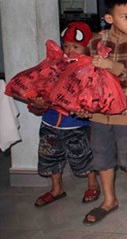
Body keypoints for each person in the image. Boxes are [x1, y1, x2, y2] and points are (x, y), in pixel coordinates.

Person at [83, 0, 127, 225]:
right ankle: (109, 199)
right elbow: (85, 79)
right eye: (125, 17)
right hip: (98, 112)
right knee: (101, 155)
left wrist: (112, 66)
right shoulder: (95, 42)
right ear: (109, 19)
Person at [32, 22, 100, 208]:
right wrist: (38, 103)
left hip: (76, 124)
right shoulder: (54, 67)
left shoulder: (89, 71)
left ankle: (93, 184)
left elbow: (94, 99)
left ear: (87, 48)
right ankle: (56, 188)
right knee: (51, 155)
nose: (69, 51)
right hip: (50, 121)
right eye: (66, 46)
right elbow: (41, 90)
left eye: (76, 47)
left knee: (84, 155)